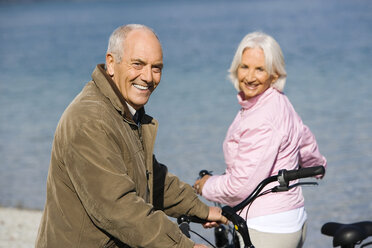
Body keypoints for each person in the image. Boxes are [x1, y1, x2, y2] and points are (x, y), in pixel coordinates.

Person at [35, 24, 227, 248]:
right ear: (111, 63)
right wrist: (183, 245)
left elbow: (153, 179)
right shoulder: (90, 120)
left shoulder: (125, 112)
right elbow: (118, 207)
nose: (148, 77)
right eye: (138, 64)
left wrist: (202, 210)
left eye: (156, 68)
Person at [193, 31, 327, 248]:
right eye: (245, 66)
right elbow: (308, 146)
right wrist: (317, 167)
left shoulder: (262, 116)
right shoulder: (280, 103)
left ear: (274, 75)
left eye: (260, 69)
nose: (249, 77)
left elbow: (241, 187)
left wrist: (205, 186)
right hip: (292, 221)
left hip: (267, 230)